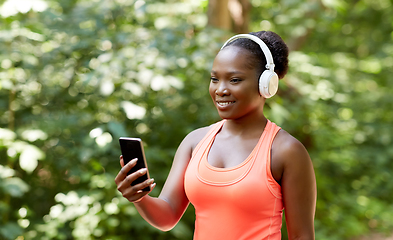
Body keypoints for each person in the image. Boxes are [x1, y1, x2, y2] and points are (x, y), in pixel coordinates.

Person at [115, 31, 317, 240]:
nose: (220, 90)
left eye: (234, 80)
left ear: (266, 84)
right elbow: (168, 217)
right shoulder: (195, 142)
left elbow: (301, 236)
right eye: (214, 79)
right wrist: (139, 198)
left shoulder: (286, 151)